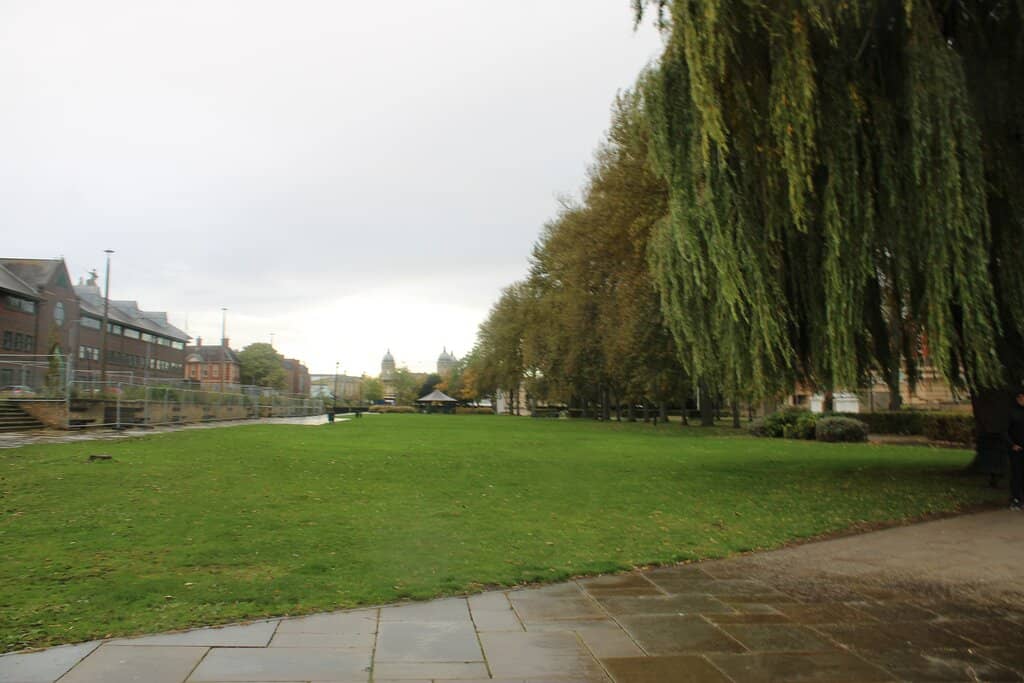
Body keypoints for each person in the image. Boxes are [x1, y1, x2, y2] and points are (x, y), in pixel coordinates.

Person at [1009, 390, 1024, 510]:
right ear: (1019, 398)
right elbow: (1004, 431)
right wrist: (1012, 444)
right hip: (1017, 449)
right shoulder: (1012, 412)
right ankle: (1015, 499)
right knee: (1017, 474)